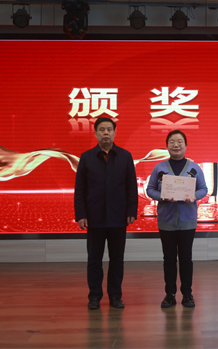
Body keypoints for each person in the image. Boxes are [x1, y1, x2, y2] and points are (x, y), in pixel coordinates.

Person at [74, 117, 138, 310]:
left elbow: (131, 187)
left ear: (114, 132)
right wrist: (81, 214)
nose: (106, 133)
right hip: (94, 217)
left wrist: (131, 210)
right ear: (95, 133)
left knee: (117, 260)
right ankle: (94, 296)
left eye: (109, 129)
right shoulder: (86, 157)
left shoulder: (125, 156)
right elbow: (80, 189)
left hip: (119, 216)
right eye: (101, 129)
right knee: (94, 260)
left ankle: (115, 296)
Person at [146, 130, 208, 308]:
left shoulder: (194, 168)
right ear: (167, 146)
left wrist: (194, 196)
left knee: (186, 258)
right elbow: (150, 189)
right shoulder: (159, 168)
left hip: (187, 221)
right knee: (169, 259)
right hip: (166, 221)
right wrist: (161, 196)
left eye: (180, 141)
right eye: (172, 141)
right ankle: (170, 294)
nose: (176, 145)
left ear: (186, 145)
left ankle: (187, 294)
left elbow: (204, 189)